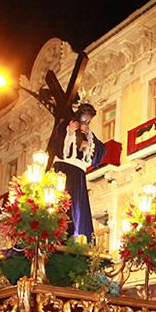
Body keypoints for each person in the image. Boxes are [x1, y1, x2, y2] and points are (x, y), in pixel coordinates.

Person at [52, 102, 106, 240]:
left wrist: (89, 136)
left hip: (79, 174)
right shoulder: (65, 127)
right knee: (62, 205)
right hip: (64, 172)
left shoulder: (89, 135)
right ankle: (60, 235)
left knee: (79, 209)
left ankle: (79, 238)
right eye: (85, 119)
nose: (86, 122)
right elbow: (57, 146)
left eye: (89, 121)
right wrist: (70, 131)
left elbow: (100, 152)